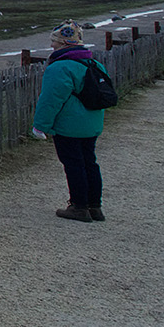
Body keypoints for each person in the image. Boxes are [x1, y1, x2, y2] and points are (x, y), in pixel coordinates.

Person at [31, 21, 107, 222]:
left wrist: (41, 126)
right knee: (90, 163)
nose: (52, 46)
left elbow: (50, 100)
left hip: (69, 125)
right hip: (91, 123)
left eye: (54, 42)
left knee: (74, 164)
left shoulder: (59, 67)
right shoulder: (94, 63)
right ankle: (95, 207)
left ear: (63, 43)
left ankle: (78, 207)